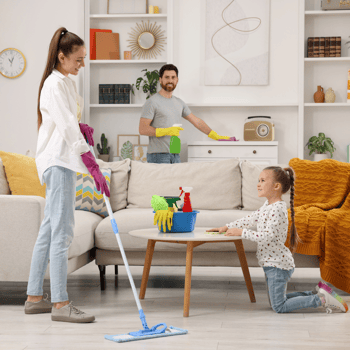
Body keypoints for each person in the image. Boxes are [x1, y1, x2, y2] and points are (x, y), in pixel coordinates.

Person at [25, 27, 110, 323]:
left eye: (84, 59)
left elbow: (71, 122)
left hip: (60, 161)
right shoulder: (54, 84)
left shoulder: (65, 83)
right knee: (62, 232)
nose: (82, 64)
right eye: (78, 59)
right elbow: (65, 125)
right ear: (61, 57)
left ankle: (35, 297)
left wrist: (83, 131)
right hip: (59, 163)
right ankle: (60, 304)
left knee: (49, 229)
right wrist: (91, 160)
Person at [207, 166, 348, 314]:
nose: (258, 184)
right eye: (258, 180)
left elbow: (267, 236)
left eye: (262, 180)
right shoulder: (268, 206)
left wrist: (242, 232)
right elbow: (251, 218)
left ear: (276, 186)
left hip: (277, 265)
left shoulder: (278, 209)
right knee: (276, 301)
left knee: (279, 306)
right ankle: (317, 294)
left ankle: (321, 300)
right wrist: (226, 226)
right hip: (270, 263)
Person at [139, 64, 236, 164]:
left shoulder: (179, 103)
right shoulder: (152, 102)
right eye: (166, 77)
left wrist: (215, 136)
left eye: (173, 77)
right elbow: (142, 129)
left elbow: (196, 121)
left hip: (175, 155)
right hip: (158, 156)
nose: (170, 81)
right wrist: (166, 131)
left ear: (177, 80)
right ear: (160, 80)